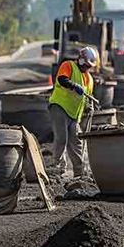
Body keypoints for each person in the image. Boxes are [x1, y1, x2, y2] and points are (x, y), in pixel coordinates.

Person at [49, 46, 96, 177]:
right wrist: (74, 86)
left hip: (75, 115)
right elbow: (62, 80)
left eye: (89, 66)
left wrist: (89, 106)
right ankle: (56, 167)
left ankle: (79, 172)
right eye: (85, 65)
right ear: (80, 60)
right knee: (61, 138)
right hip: (59, 106)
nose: (87, 68)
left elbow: (87, 97)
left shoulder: (90, 79)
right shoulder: (68, 65)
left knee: (76, 142)